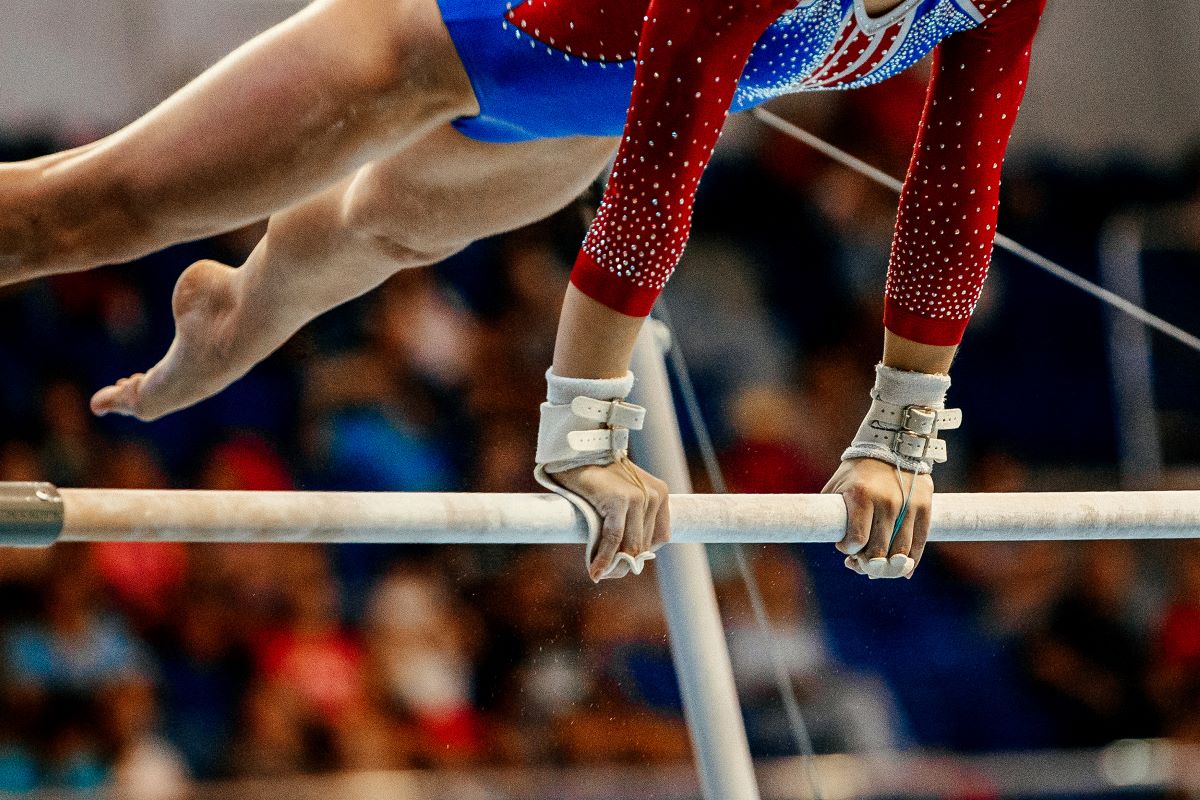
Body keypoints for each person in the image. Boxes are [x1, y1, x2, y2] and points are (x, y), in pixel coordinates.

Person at [0, 0, 1046, 581]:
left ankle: (234, 310)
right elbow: (653, 193)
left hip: (576, 117)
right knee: (92, 212)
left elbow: (956, 178)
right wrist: (585, 432)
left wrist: (897, 439)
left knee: (388, 227)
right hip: (424, 43)